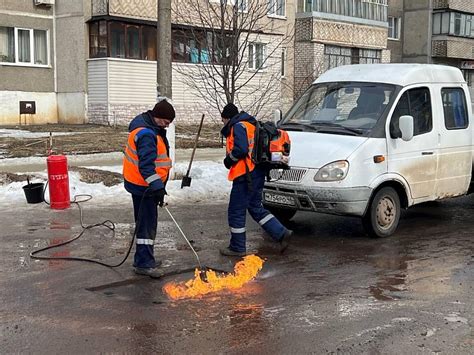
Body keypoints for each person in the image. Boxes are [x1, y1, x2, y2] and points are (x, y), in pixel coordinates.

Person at [219, 103, 293, 257]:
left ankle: (237, 247)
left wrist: (229, 160)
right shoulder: (251, 124)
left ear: (227, 118)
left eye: (223, 120)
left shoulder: (238, 126)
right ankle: (281, 232)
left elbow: (241, 149)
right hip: (258, 171)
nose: (223, 123)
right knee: (255, 207)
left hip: (245, 174)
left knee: (236, 211)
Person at [122, 99, 175, 278]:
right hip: (144, 187)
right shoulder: (146, 134)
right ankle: (144, 263)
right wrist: (157, 187)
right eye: (166, 123)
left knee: (145, 222)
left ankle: (144, 258)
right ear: (158, 117)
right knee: (146, 224)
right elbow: (146, 166)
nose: (166, 127)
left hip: (142, 185)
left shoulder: (148, 128)